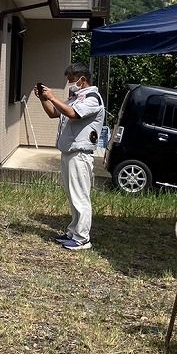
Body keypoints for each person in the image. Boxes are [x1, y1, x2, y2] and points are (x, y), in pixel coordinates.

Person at [36, 63, 105, 251]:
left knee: (80, 196)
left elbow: (73, 114)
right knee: (72, 194)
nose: (69, 84)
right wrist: (44, 99)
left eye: (71, 80)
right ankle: (73, 231)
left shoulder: (92, 98)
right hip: (69, 152)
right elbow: (54, 113)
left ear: (82, 79)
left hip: (80, 153)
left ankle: (83, 238)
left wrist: (53, 97)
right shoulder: (76, 97)